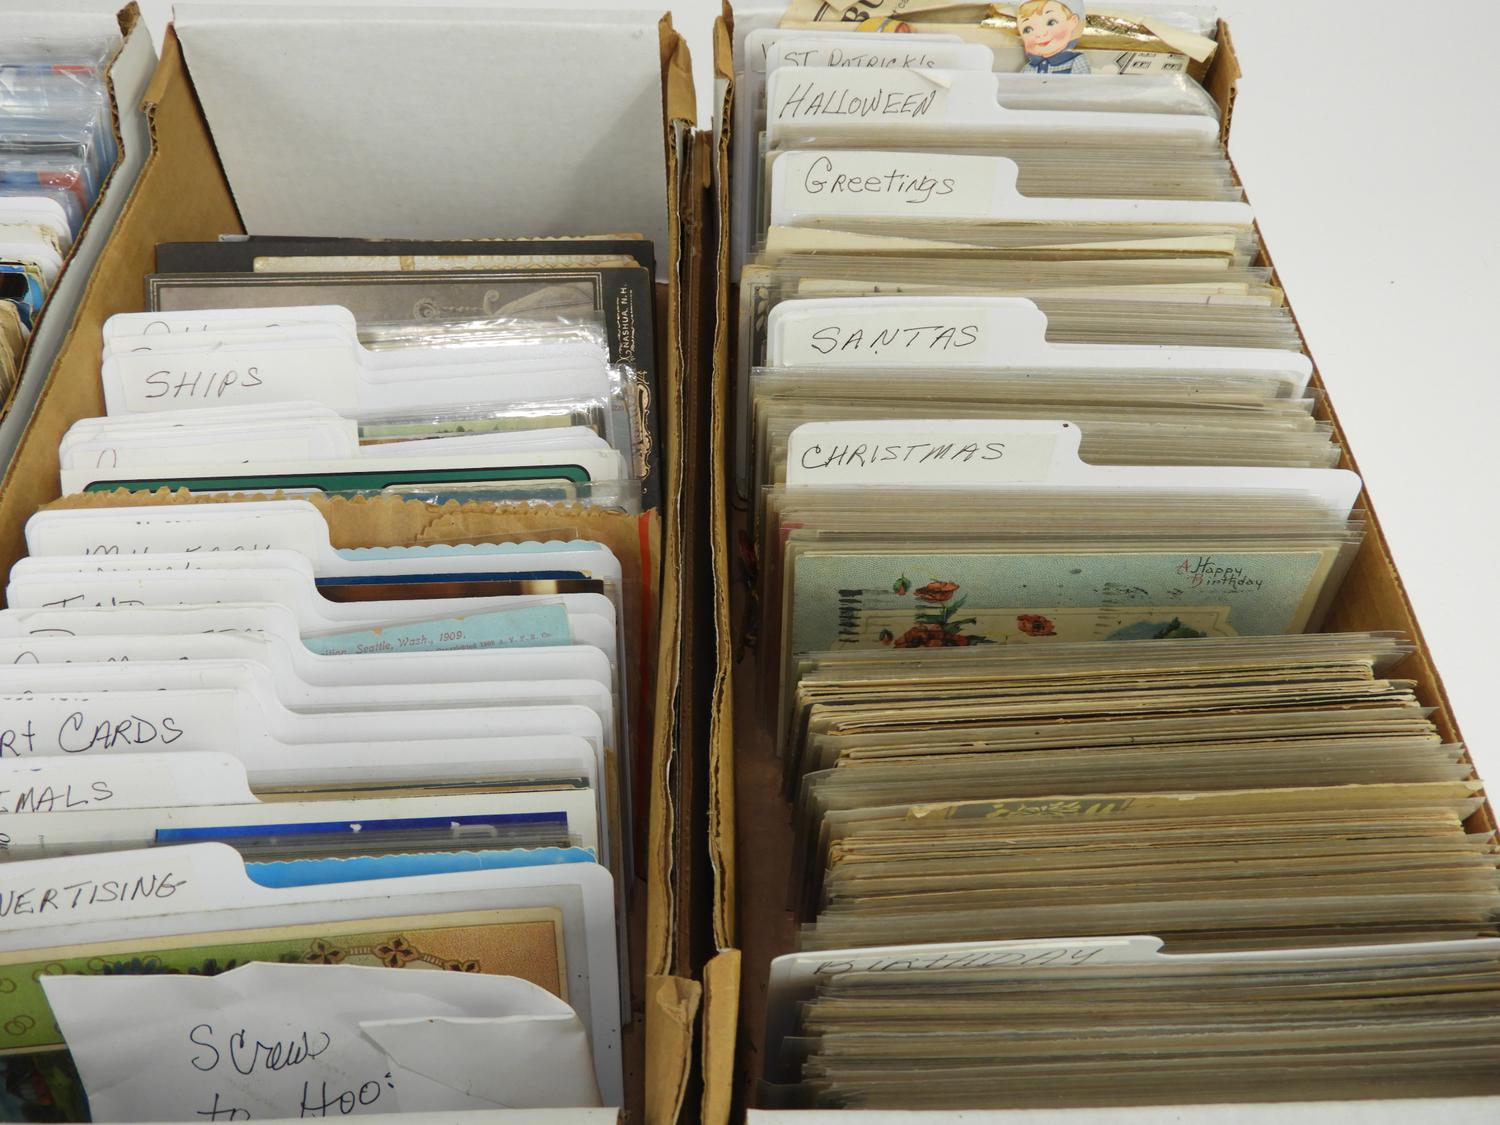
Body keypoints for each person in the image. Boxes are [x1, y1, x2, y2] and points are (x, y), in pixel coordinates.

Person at [1018, 0, 1090, 74]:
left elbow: (1083, 80)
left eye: (1051, 22)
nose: (1040, 33)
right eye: (1028, 30)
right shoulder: (1029, 67)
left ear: (1073, 21)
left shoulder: (1076, 60)